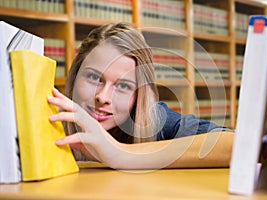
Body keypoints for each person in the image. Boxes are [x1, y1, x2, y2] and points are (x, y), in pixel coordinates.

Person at [47, 22, 234, 170]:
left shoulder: (157, 121)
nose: (103, 97)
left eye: (123, 86)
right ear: (75, 75)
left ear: (139, 95)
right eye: (94, 77)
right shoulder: (49, 117)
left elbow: (237, 146)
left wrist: (120, 153)